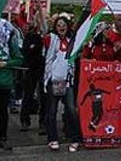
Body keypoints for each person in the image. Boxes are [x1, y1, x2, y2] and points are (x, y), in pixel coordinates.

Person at [43, 14, 81, 152]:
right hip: (53, 80)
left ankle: (75, 138)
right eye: (58, 25)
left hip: (67, 81)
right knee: (52, 111)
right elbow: (43, 29)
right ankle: (53, 139)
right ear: (55, 27)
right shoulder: (51, 39)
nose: (61, 27)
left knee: (71, 109)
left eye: (63, 25)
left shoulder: (72, 41)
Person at [0, 19, 23, 150]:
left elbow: (19, 59)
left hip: (4, 82)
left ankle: (2, 137)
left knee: (2, 111)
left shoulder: (10, 39)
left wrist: (6, 64)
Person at [20, 15, 45, 133]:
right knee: (28, 95)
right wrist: (35, 46)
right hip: (31, 68)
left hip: (44, 69)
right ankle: (25, 120)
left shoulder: (49, 36)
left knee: (44, 97)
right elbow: (26, 50)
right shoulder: (30, 36)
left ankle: (43, 122)